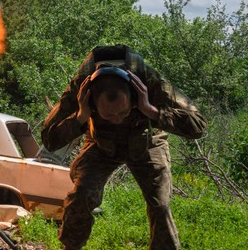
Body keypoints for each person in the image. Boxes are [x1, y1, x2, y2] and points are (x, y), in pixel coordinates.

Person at [41, 44, 207, 250]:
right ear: (92, 101)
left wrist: (151, 111)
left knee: (160, 205)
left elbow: (198, 125)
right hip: (101, 143)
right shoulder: (81, 87)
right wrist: (81, 117)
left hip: (147, 141)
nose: (117, 120)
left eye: (123, 112)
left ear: (134, 96)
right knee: (81, 194)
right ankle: (71, 247)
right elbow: (50, 138)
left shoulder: (149, 81)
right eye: (109, 115)